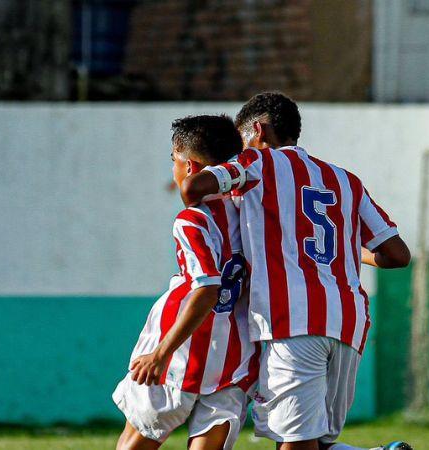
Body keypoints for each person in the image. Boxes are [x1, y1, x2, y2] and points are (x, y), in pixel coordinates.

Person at [181, 92, 413, 450]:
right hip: (348, 324)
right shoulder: (345, 180)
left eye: (243, 140)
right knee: (315, 440)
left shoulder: (256, 161)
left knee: (295, 440)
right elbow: (397, 254)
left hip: (293, 322)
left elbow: (193, 188)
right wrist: (346, 250)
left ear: (258, 131)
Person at [112, 115, 260, 450]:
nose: (173, 170)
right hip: (233, 358)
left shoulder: (193, 220)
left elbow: (206, 289)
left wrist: (161, 353)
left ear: (190, 167)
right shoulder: (251, 213)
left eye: (173, 161)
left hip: (180, 355)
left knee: (135, 442)